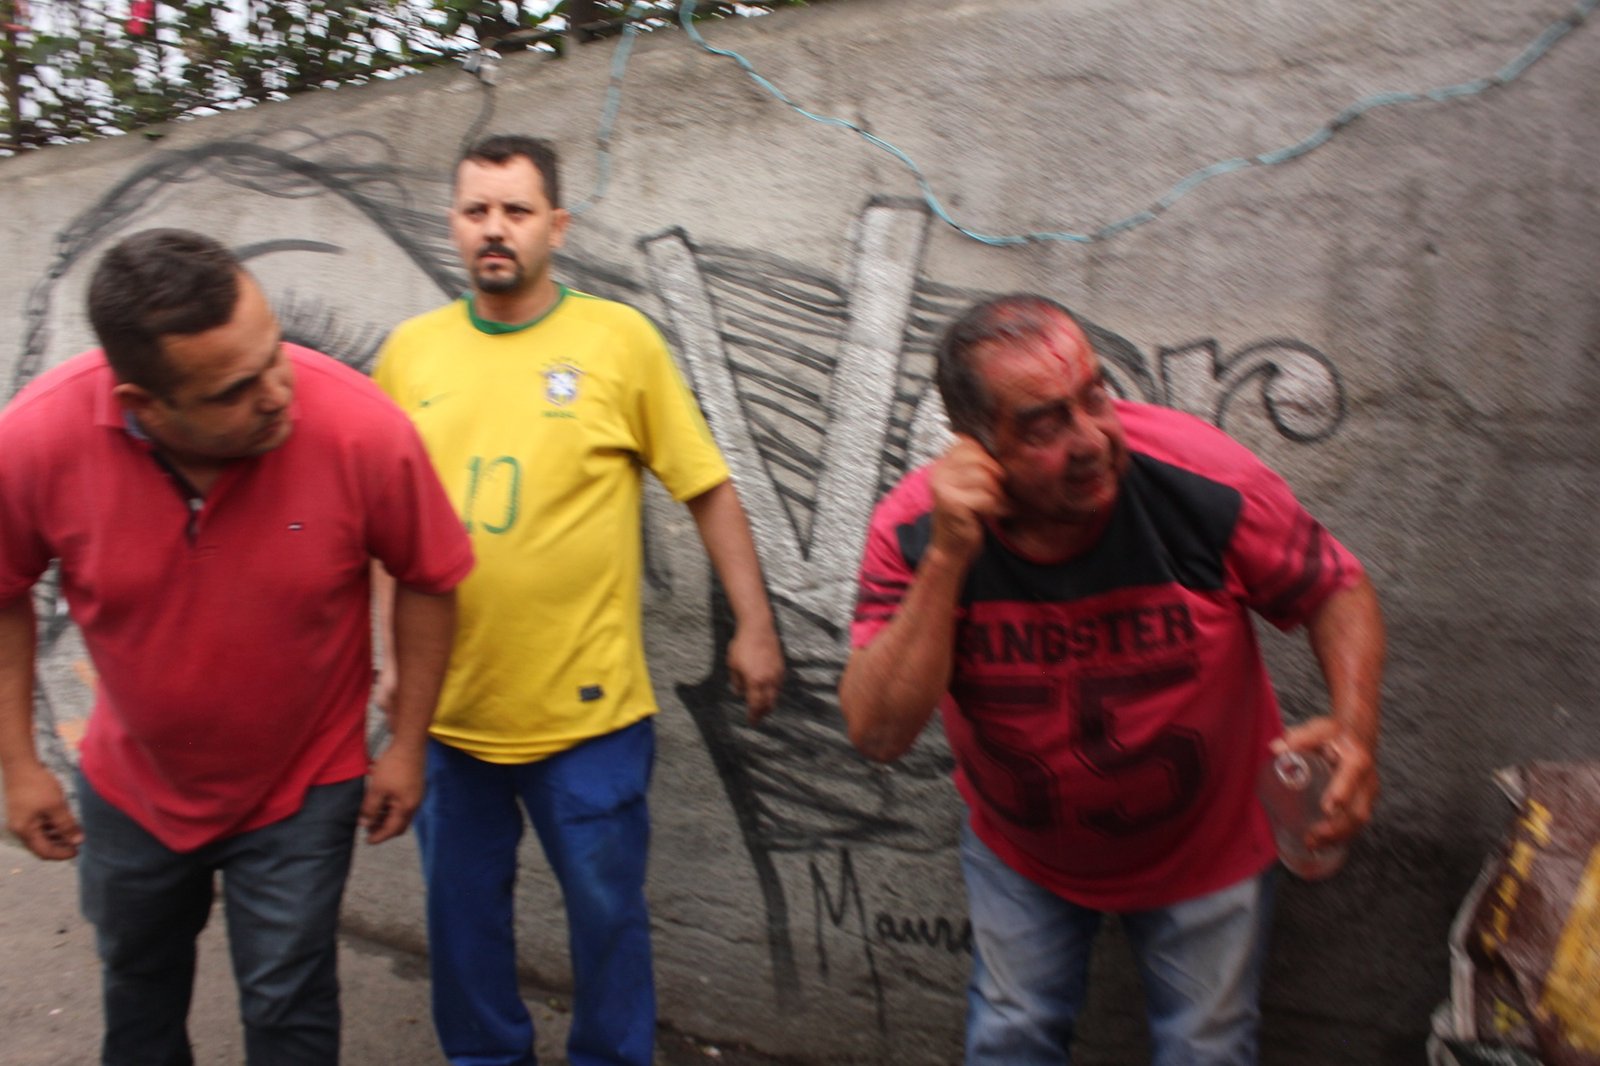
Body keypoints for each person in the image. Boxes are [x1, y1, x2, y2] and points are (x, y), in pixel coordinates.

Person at [839, 294, 1384, 1065]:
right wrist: (951, 556)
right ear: (976, 447)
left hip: (1210, 848)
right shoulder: (917, 530)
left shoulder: (1196, 478)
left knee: (1206, 1049)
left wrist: (1356, 730)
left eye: (1094, 396)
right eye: (1044, 425)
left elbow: (1335, 587)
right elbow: (877, 732)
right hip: (1023, 855)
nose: (1093, 439)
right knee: (1012, 1036)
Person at [0, 228, 473, 1066]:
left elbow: (431, 577)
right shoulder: (36, 441)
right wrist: (18, 763)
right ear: (143, 404)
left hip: (304, 787)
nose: (279, 393)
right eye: (234, 390)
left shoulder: (362, 428)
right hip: (131, 786)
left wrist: (407, 746)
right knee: (137, 990)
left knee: (289, 1001)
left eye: (274, 353)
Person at [372, 134, 786, 1066]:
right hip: (448, 717)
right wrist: (389, 661)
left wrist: (755, 625)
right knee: (462, 925)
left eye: (516, 211)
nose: (496, 229)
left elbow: (706, 486)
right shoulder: (409, 355)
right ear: (454, 223)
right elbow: (384, 525)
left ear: (555, 226)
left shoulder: (619, 342)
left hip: (590, 718)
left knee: (607, 921)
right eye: (477, 210)